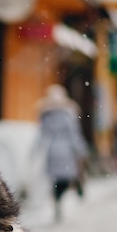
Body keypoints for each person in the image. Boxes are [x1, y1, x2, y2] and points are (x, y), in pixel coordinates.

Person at [35, 84, 89, 221]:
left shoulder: (46, 116)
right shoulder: (68, 115)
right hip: (66, 151)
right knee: (66, 178)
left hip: (52, 152)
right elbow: (74, 135)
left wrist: (35, 152)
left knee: (56, 179)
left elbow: (41, 136)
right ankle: (59, 197)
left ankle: (57, 199)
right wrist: (81, 150)